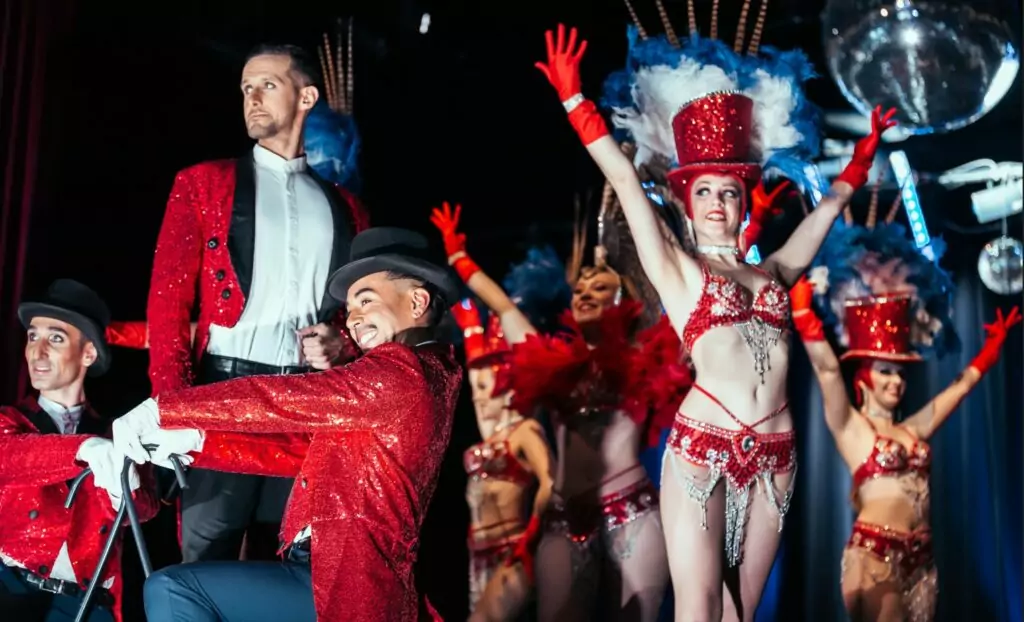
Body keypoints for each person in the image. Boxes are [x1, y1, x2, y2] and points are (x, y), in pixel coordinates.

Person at [534, 15, 895, 620]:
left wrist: (860, 162)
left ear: (743, 200)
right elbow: (623, 178)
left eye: (728, 191)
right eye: (704, 191)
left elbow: (824, 214)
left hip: (777, 451)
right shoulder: (677, 268)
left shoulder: (773, 274)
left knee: (740, 612)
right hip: (704, 447)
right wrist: (576, 103)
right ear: (686, 199)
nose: (718, 203)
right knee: (699, 606)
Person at [114, 227, 462, 622]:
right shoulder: (411, 378)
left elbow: (277, 398)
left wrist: (164, 409)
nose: (352, 319)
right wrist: (196, 442)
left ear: (417, 301)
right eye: (349, 308)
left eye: (366, 300)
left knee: (174, 589)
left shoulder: (402, 374)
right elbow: (300, 450)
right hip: (322, 575)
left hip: (349, 584)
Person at [146, 42, 370, 563]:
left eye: (267, 85)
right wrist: (172, 406)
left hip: (307, 399)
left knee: (287, 560)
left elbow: (356, 310)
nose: (252, 98)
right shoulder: (204, 184)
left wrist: (342, 341)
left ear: (306, 97)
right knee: (205, 558)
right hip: (225, 390)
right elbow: (167, 304)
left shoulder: (347, 207)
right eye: (246, 88)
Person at [432, 202, 673, 622]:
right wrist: (459, 258)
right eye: (580, 289)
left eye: (599, 288)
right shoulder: (554, 361)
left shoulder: (641, 356)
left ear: (622, 299)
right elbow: (506, 309)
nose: (584, 294)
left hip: (629, 509)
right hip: (564, 515)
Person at [787, 203, 1021, 621]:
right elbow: (827, 370)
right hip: (876, 555)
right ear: (864, 378)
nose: (896, 381)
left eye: (900, 373)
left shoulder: (913, 430)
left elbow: (958, 391)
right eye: (886, 372)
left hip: (922, 557)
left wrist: (988, 355)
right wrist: (805, 318)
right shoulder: (850, 428)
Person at [0, 279, 158, 622]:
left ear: (88, 353)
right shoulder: (11, 421)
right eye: (32, 337)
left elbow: (144, 508)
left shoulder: (116, 433)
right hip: (12, 590)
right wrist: (84, 447)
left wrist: (124, 484)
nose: (37, 351)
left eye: (55, 338)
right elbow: (11, 456)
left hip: (86, 605)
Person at [451, 298, 555, 621]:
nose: (477, 396)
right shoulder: (491, 436)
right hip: (478, 554)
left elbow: (552, 482)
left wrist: (531, 539)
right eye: (474, 387)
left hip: (511, 550)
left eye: (483, 386)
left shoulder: (524, 431)